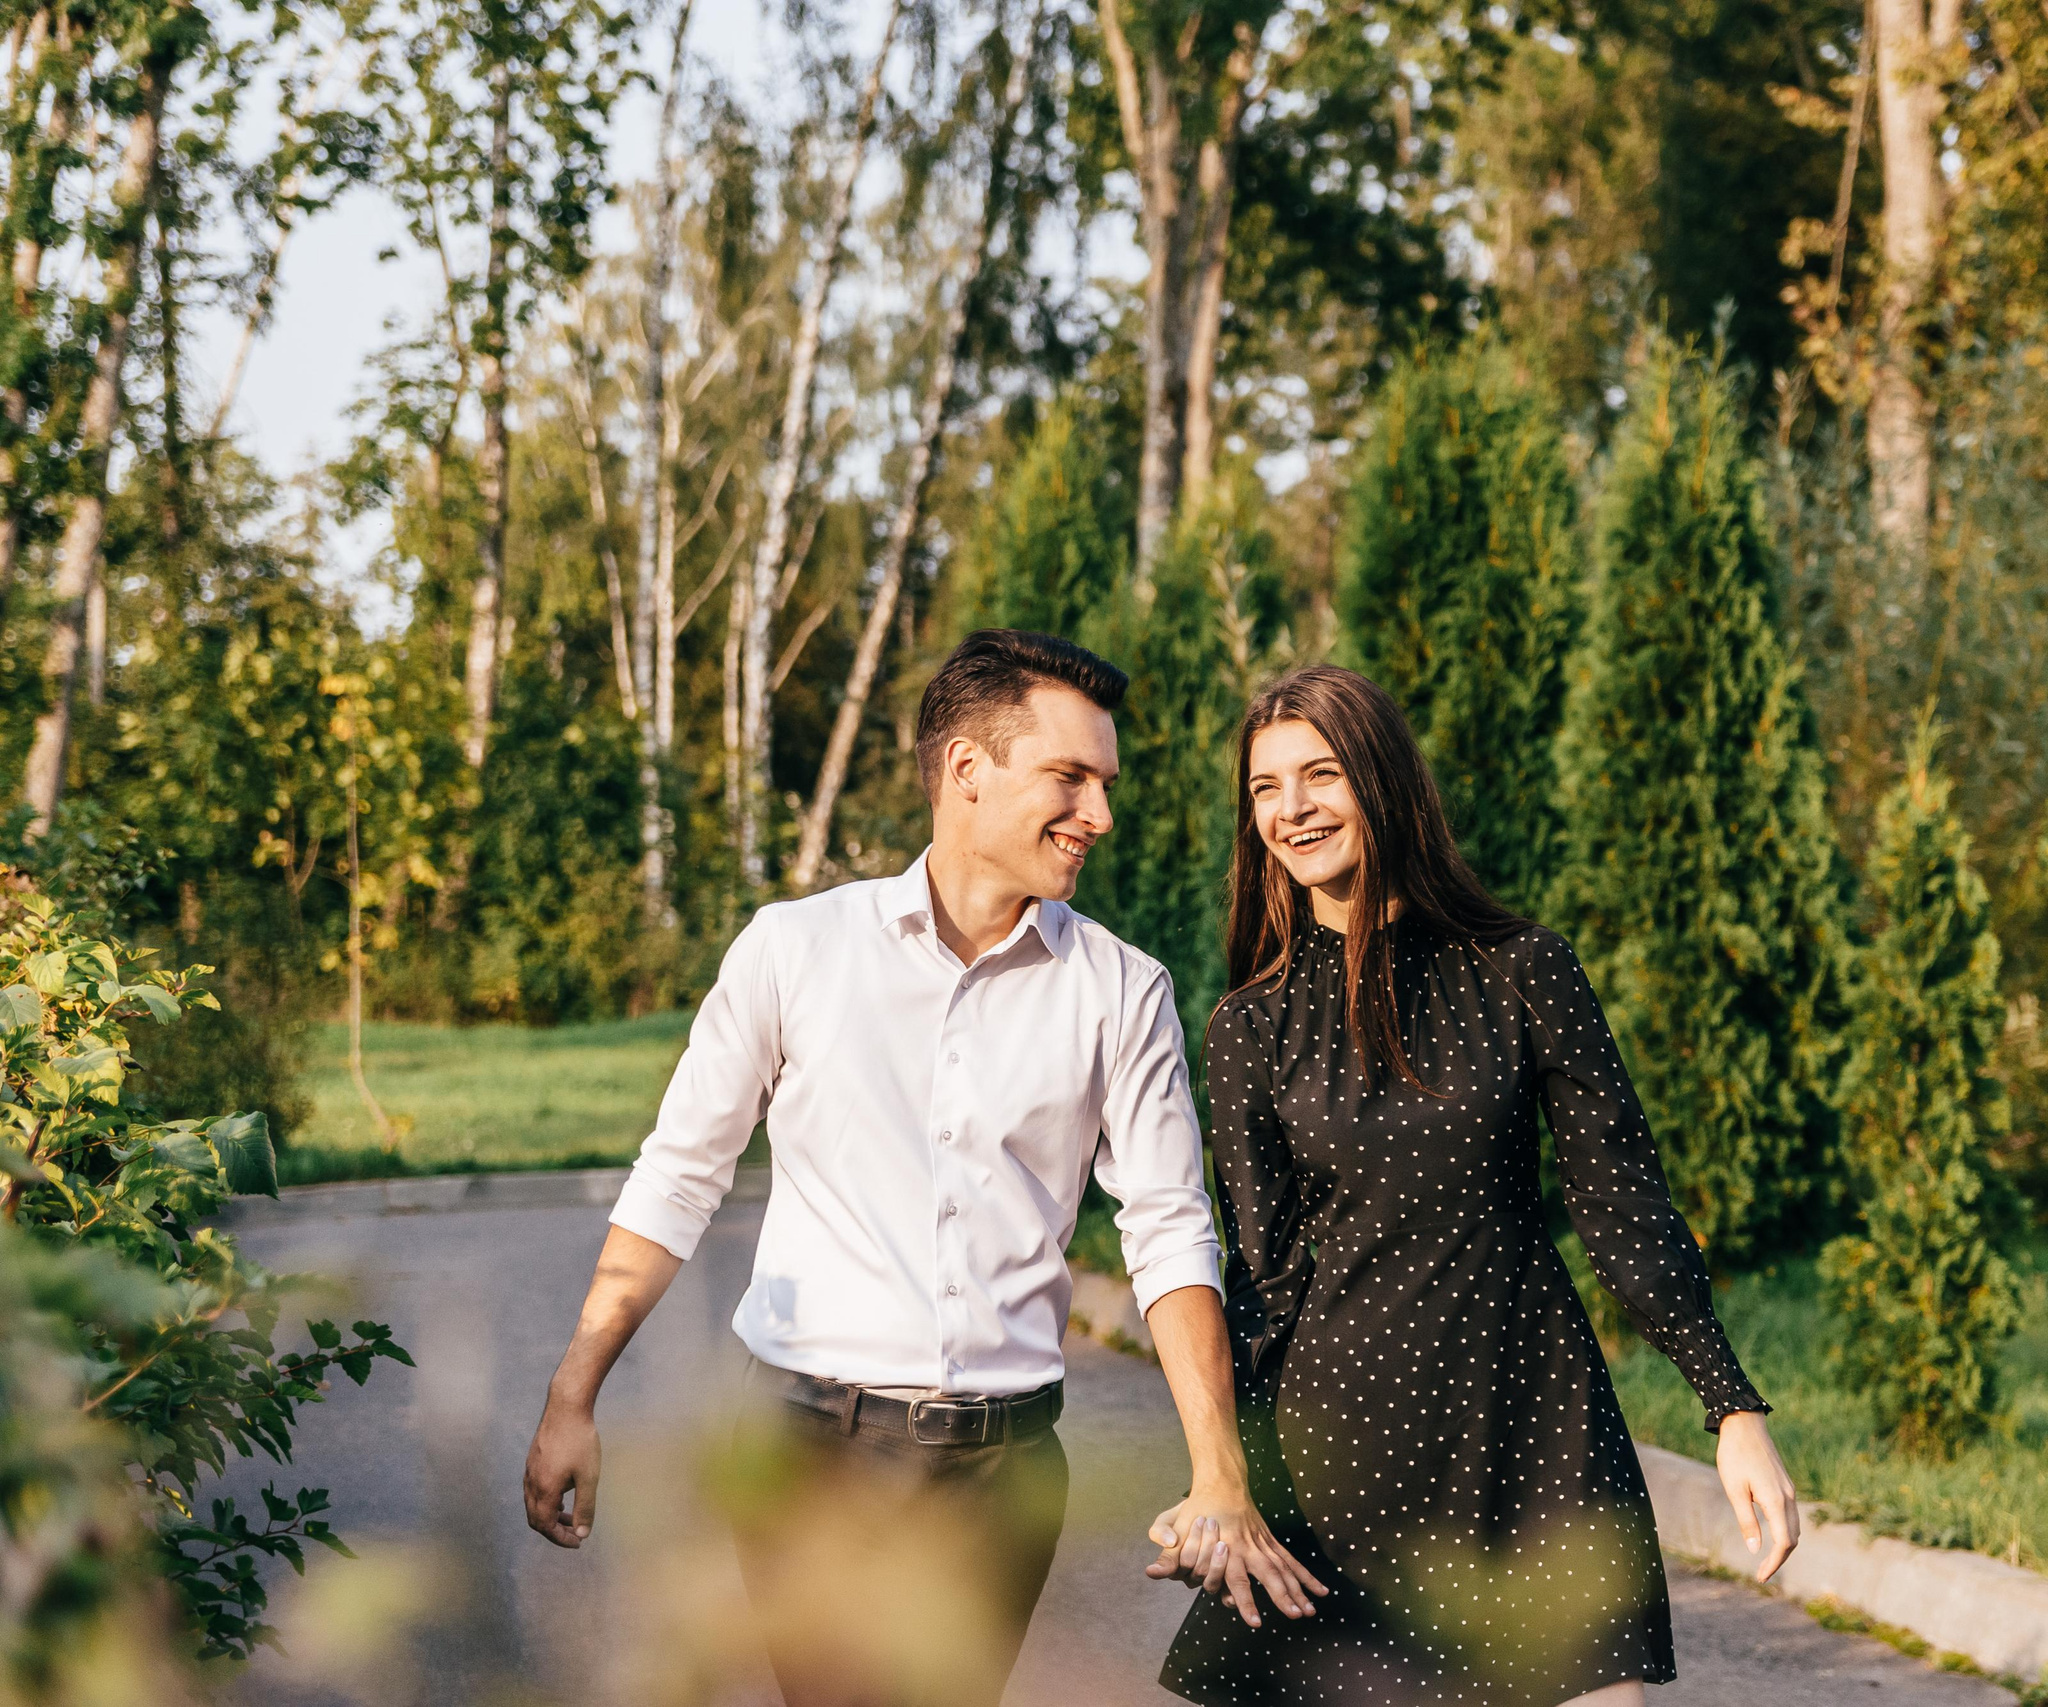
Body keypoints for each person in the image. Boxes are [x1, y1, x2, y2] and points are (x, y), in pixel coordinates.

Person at [522, 629, 1325, 1707]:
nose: (1101, 814)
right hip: (809, 1451)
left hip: (1003, 1471)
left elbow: (1170, 1228)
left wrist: (1217, 1471)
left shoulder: (1120, 991)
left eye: (1105, 783)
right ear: (964, 771)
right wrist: (573, 1397)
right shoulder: (793, 950)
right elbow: (678, 1177)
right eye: (1069, 778)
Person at [1151, 665, 1800, 1707]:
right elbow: (1261, 1281)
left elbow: (1621, 1200)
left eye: (1320, 775)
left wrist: (1730, 1406)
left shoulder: (1522, 968)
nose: (1292, 809)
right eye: (1265, 788)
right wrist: (1224, 1483)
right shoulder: (1249, 1025)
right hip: (1346, 1452)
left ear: (1383, 781)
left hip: (1533, 1425)